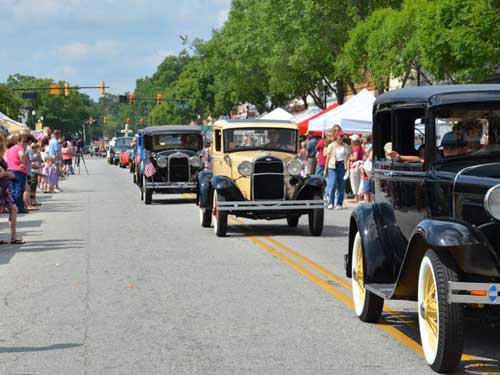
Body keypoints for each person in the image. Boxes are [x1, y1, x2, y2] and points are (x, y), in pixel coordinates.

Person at [0, 135, 24, 244]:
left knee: (14, 209)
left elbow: (4, 172)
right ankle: (13, 237)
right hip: (1, 188)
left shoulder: (2, 154)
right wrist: (6, 173)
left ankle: (14, 237)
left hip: (4, 188)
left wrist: (7, 173)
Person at [324, 134, 350, 209]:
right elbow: (328, 157)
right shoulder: (331, 146)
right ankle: (331, 203)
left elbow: (348, 158)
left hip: (342, 166)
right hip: (333, 166)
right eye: (340, 136)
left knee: (341, 185)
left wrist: (348, 170)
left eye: (342, 136)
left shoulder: (346, 146)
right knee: (332, 184)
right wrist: (325, 169)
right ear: (336, 137)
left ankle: (339, 203)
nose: (341, 138)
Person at [6, 134, 29, 213]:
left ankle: (13, 207)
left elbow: (6, 159)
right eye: (23, 141)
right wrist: (22, 163)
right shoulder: (20, 148)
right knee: (19, 190)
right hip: (19, 171)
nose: (25, 143)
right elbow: (21, 155)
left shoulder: (10, 149)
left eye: (26, 142)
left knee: (12, 190)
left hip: (10, 170)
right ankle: (19, 208)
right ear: (18, 141)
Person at [348, 134, 364, 202]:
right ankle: (359, 197)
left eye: (352, 140)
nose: (351, 141)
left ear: (354, 141)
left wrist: (348, 158)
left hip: (355, 166)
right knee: (359, 181)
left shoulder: (355, 148)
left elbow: (355, 157)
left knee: (354, 182)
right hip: (360, 165)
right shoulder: (360, 147)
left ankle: (356, 197)